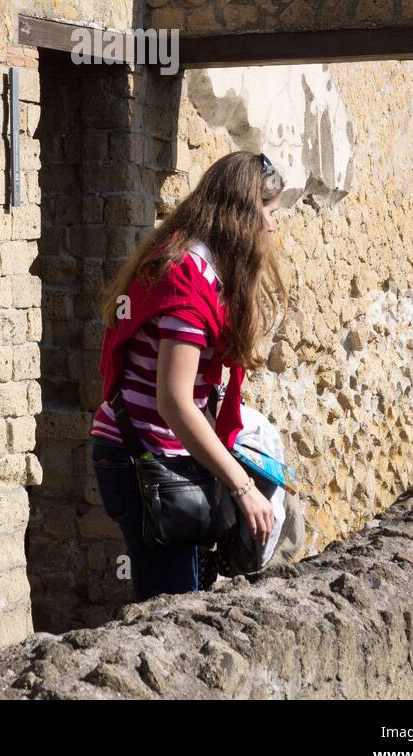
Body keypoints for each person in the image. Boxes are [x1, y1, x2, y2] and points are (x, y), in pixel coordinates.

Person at [88, 150, 288, 601]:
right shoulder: (187, 276)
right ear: (243, 215)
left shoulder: (196, 263)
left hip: (159, 457)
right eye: (269, 214)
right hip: (141, 460)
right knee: (170, 612)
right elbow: (174, 401)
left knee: (184, 599)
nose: (272, 228)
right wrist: (241, 488)